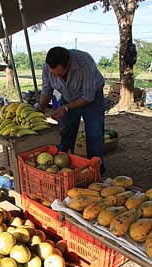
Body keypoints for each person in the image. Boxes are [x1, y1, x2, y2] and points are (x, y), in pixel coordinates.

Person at [38, 46, 106, 175]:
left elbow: (88, 96)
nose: (56, 76)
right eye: (53, 74)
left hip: (92, 98)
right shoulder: (48, 67)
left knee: (94, 134)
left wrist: (66, 108)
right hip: (68, 97)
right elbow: (47, 89)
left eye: (59, 74)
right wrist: (41, 107)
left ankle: (97, 169)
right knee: (66, 131)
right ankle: (64, 165)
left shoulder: (84, 63)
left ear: (68, 64)